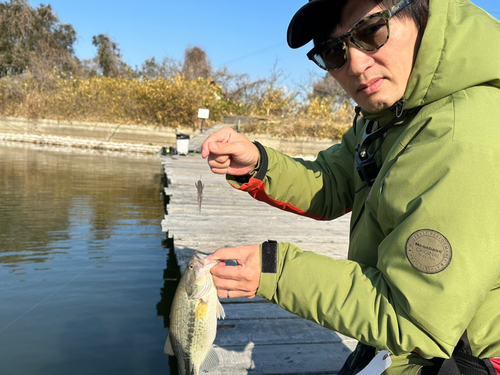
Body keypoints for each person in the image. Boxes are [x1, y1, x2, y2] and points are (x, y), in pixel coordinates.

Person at [201, 0, 500, 373]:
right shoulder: (389, 114)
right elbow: (334, 182)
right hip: (389, 348)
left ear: (425, 12)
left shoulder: (464, 133)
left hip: (448, 359)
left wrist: (274, 270)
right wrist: (259, 163)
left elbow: (410, 315)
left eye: (371, 31)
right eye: (334, 51)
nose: (355, 64)